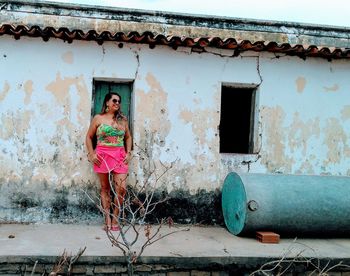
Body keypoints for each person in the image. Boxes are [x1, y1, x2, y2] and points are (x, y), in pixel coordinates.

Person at [85, 92, 132, 231]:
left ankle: (115, 217)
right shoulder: (98, 118)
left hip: (119, 156)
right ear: (106, 102)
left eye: (119, 101)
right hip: (102, 156)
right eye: (114, 101)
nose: (117, 103)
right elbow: (88, 137)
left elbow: (128, 137)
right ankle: (107, 218)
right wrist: (91, 154)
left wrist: (129, 152)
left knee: (121, 189)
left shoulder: (123, 119)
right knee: (105, 188)